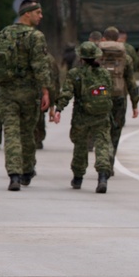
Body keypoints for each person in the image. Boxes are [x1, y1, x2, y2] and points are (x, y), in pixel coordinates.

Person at [0, 0, 53, 191]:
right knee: (27, 133)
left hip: (6, 92)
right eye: (38, 12)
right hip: (28, 93)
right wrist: (46, 91)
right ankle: (27, 171)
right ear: (27, 14)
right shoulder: (36, 36)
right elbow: (40, 66)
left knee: (10, 132)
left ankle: (14, 175)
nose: (41, 16)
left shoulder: (3, 33)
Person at [51, 41, 114, 194]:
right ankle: (103, 177)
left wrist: (59, 109)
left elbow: (66, 93)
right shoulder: (104, 73)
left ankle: (78, 177)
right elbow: (108, 92)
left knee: (80, 145)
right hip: (101, 115)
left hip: (81, 116)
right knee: (102, 144)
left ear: (81, 58)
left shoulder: (75, 74)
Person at [100, 26, 139, 170]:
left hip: (100, 97)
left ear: (103, 38)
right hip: (119, 97)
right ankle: (109, 161)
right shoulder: (126, 57)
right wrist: (135, 103)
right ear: (118, 39)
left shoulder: (96, 55)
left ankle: (102, 161)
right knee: (115, 131)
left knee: (101, 130)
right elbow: (131, 82)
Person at [34, 55, 60, 149]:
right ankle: (38, 139)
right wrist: (52, 105)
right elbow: (53, 83)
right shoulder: (49, 60)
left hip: (27, 94)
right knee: (39, 116)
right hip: (41, 94)